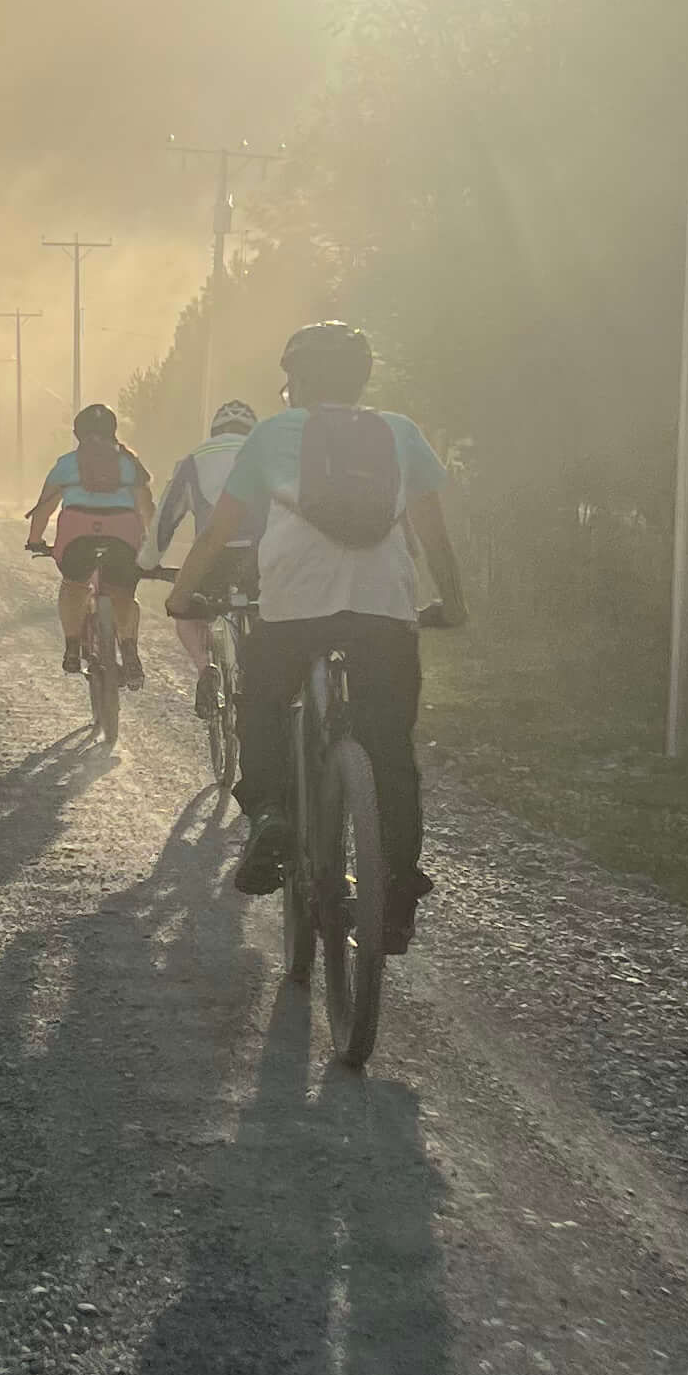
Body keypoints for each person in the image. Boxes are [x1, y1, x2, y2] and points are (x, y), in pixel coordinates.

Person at [166, 321, 465, 953]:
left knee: (264, 701)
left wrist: (179, 595)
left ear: (296, 381)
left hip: (294, 603)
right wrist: (452, 603)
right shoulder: (401, 432)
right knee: (389, 751)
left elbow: (217, 532)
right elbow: (434, 535)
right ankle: (397, 898)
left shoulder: (274, 434)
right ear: (363, 379)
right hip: (384, 607)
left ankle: (272, 811)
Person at [23, 401, 155, 688]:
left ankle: (72, 646)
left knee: (73, 584)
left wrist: (35, 540)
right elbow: (146, 508)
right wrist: (150, 542)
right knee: (122, 593)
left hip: (77, 535)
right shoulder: (129, 463)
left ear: (78, 433)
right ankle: (130, 652)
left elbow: (44, 508)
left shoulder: (66, 464)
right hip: (122, 534)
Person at [151, 394, 259, 714]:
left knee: (187, 614)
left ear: (215, 429)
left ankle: (204, 667)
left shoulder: (195, 458)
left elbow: (166, 518)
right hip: (261, 557)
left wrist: (147, 562)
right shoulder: (268, 455)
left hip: (212, 558)